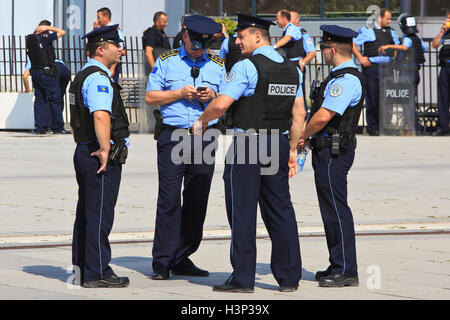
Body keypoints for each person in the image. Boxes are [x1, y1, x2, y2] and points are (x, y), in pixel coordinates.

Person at [193, 13, 305, 293]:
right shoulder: (294, 69)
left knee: (242, 211)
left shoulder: (246, 66)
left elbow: (221, 104)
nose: (236, 40)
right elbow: (300, 113)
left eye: (241, 36)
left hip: (247, 145)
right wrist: (291, 149)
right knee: (281, 210)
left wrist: (201, 121)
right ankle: (289, 277)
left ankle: (243, 278)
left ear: (258, 36)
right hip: (277, 143)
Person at [145, 15, 226, 281]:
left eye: (204, 47)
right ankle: (162, 261)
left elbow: (228, 99)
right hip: (174, 136)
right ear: (185, 36)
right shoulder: (166, 61)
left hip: (204, 136)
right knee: (169, 199)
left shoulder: (217, 65)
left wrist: (212, 96)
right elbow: (150, 96)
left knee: (197, 198)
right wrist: (179, 94)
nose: (199, 51)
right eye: (195, 45)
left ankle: (182, 255)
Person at [298, 25, 365, 288]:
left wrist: (302, 135)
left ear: (333, 50)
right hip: (327, 150)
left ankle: (347, 270)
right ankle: (338, 263)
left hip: (334, 152)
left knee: (337, 210)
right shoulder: (339, 78)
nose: (322, 52)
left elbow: (324, 116)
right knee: (330, 210)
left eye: (324, 48)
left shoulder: (346, 80)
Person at [69, 24, 130, 288]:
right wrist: (105, 150)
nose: (122, 50)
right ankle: (98, 272)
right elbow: (100, 115)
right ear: (102, 48)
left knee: (87, 212)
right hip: (97, 153)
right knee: (100, 214)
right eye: (117, 45)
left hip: (84, 148)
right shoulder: (97, 78)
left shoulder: (82, 75)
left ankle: (83, 268)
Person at [353, 8, 400, 136]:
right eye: (388, 18)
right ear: (380, 18)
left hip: (388, 67)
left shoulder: (392, 32)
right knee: (373, 97)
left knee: (387, 97)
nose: (390, 21)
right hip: (373, 67)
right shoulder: (368, 31)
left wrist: (394, 58)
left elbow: (396, 46)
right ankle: (373, 127)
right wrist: (361, 58)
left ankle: (386, 125)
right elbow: (353, 43)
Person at [378, 14, 427, 135]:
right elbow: (424, 48)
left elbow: (405, 47)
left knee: (407, 100)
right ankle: (412, 125)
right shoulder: (418, 39)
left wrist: (389, 46)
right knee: (410, 99)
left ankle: (413, 126)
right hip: (415, 71)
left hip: (407, 72)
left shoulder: (407, 39)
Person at [25, 20, 67, 135]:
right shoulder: (44, 38)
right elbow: (62, 32)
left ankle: (40, 128)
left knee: (39, 100)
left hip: (36, 73)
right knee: (55, 98)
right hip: (46, 73)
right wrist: (49, 29)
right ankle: (58, 127)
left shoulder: (29, 39)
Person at [290, 10, 317, 115]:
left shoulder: (303, 33)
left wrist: (303, 63)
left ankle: (303, 120)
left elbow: (312, 52)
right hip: (287, 67)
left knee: (299, 97)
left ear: (297, 20)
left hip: (297, 67)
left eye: (290, 17)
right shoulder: (288, 33)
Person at [431, 10, 450, 136]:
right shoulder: (446, 33)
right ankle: (443, 127)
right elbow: (434, 44)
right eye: (447, 18)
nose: (446, 21)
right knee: (443, 99)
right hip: (445, 67)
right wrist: (442, 32)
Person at [96, 7, 126, 83]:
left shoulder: (114, 30)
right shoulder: (103, 29)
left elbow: (120, 51)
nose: (97, 20)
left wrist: (112, 68)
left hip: (110, 66)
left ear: (106, 17)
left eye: (99, 17)